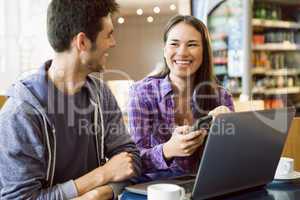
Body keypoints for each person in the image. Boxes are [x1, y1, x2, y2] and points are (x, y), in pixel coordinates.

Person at [0, 0, 141, 199]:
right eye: (108, 34)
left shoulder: (101, 94)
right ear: (82, 42)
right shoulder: (20, 112)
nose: (113, 43)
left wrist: (104, 192)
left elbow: (129, 161)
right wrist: (101, 175)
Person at [128, 15, 234, 181]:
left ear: (204, 51)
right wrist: (168, 150)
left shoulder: (221, 96)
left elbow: (231, 159)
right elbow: (133, 162)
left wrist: (230, 131)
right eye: (174, 44)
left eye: (192, 44)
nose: (182, 52)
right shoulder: (142, 93)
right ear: (164, 50)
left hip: (206, 185)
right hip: (156, 189)